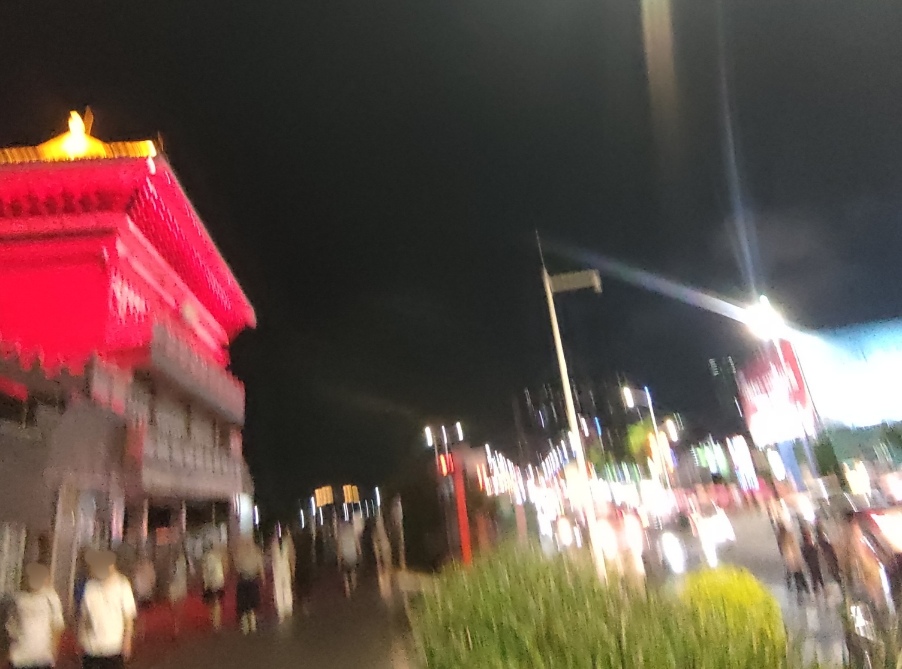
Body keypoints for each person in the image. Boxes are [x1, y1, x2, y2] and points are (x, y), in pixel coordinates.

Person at [78, 549, 137, 669]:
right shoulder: (90, 586)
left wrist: (127, 641)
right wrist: (82, 635)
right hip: (92, 647)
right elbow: (85, 615)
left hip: (113, 647)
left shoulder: (122, 585)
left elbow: (128, 617)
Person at [6, 563, 64, 669]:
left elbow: (57, 626)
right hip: (20, 657)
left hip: (42, 658)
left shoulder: (51, 599)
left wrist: (53, 652)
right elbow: (11, 627)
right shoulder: (18, 599)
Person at [233, 537, 264, 634]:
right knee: (251, 605)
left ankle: (246, 627)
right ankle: (252, 625)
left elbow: (237, 567)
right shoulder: (256, 552)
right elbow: (260, 565)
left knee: (244, 605)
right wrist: (262, 577)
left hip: (243, 580)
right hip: (252, 579)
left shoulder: (240, 552)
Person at [778, 528, 809, 602]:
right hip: (794, 561)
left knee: (796, 576)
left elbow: (786, 551)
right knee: (798, 576)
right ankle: (803, 591)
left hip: (792, 561)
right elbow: (795, 550)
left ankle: (801, 591)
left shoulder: (784, 539)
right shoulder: (788, 538)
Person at [201, 543, 227, 631]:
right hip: (218, 580)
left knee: (211, 602)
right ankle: (217, 622)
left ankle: (213, 620)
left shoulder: (205, 558)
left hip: (210, 581)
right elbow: (223, 567)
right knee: (217, 602)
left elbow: (205, 572)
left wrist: (206, 583)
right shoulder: (217, 556)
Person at [270, 535, 293, 622]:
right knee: (278, 588)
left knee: (286, 587)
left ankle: (288, 607)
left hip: (285, 567)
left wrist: (292, 567)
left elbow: (291, 555)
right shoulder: (274, 543)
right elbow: (272, 556)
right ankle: (281, 610)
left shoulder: (286, 542)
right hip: (277, 568)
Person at [814, 519, 842, 586]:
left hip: (828, 578)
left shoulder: (818, 547)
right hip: (830, 576)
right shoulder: (825, 546)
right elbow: (833, 559)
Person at [337, 520, 361, 598]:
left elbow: (339, 549)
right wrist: (359, 553)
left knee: (345, 575)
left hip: (345, 556)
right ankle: (354, 587)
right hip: (353, 555)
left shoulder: (340, 535)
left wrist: (339, 560)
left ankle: (348, 592)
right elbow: (357, 544)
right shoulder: (353, 532)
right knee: (353, 571)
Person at [800, 526, 825, 596]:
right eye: (808, 535)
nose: (810, 536)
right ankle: (817, 591)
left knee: (818, 577)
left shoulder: (807, 546)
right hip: (812, 564)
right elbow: (807, 555)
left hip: (815, 563)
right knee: (815, 578)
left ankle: (820, 591)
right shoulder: (806, 546)